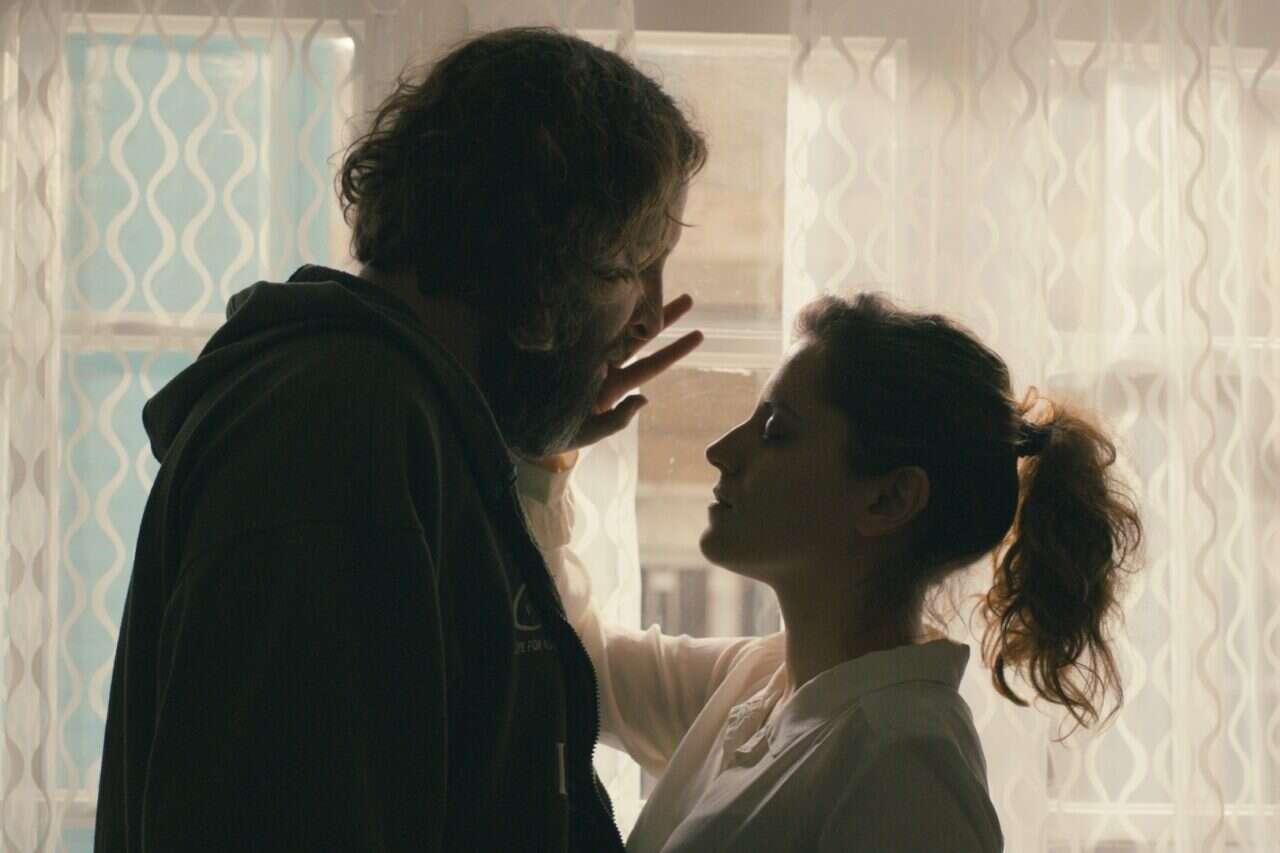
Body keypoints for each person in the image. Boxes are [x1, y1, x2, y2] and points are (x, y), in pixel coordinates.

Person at [94, 27, 707, 852]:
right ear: (537, 269)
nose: (649, 314)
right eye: (634, 265)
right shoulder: (340, 438)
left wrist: (529, 451)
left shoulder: (390, 417)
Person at [517, 292, 1145, 852]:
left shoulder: (907, 770)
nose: (721, 451)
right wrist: (548, 451)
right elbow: (577, 663)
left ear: (888, 499)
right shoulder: (764, 683)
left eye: (776, 431)